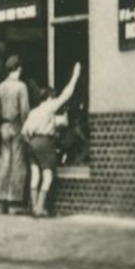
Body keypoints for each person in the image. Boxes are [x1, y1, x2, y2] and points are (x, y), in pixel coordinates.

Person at [23, 62, 83, 218]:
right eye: (53, 98)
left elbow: (25, 132)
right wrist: (75, 76)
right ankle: (40, 208)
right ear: (49, 98)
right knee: (48, 176)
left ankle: (34, 207)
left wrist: (31, 142)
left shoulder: (34, 112)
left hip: (31, 143)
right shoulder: (49, 107)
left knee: (35, 175)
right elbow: (66, 95)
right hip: (44, 143)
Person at [0, 55, 31, 214]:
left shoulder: (1, 86)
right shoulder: (21, 87)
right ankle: (15, 202)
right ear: (18, 69)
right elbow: (24, 110)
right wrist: (26, 127)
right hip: (16, 126)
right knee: (18, 163)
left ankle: (1, 200)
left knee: (5, 163)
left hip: (4, 126)